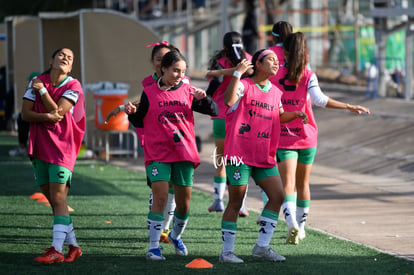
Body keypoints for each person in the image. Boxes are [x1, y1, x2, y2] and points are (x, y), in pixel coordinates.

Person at [270, 32, 370, 245]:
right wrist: (348, 106)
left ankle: (291, 224)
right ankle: (302, 227)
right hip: (307, 136)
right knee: (303, 183)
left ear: (285, 52)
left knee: (288, 185)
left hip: (283, 136)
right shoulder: (308, 75)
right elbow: (320, 100)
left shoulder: (274, 74)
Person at [127, 50, 218, 260]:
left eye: (183, 71)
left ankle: (175, 236)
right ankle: (153, 247)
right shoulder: (148, 92)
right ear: (163, 69)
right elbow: (141, 120)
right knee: (159, 197)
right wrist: (132, 114)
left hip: (184, 152)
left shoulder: (188, 90)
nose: (179, 75)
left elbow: (213, 110)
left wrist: (204, 99)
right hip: (158, 152)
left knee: (184, 204)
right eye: (175, 70)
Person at [219, 49, 307, 263]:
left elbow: (277, 116)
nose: (276, 63)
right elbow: (229, 101)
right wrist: (237, 74)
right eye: (271, 59)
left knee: (277, 196)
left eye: (278, 60)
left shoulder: (276, 92)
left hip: (263, 154)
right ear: (257, 64)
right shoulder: (244, 85)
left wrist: (293, 115)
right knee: (236, 202)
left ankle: (262, 246)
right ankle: (226, 252)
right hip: (239, 154)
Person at [106, 41, 180, 244]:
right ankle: (157, 225)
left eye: (167, 57)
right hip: (151, 135)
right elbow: (146, 103)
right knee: (158, 186)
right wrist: (122, 108)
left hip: (177, 139)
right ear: (155, 62)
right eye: (159, 59)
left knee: (173, 186)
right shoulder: (148, 82)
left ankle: (164, 229)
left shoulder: (183, 80)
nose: (162, 62)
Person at [21, 48, 85, 264]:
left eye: (70, 57)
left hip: (63, 147)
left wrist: (42, 93)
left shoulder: (73, 85)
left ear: (72, 66)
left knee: (58, 197)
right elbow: (25, 114)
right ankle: (74, 246)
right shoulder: (37, 80)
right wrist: (45, 115)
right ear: (51, 59)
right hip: (39, 145)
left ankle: (56, 250)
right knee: (53, 198)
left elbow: (59, 113)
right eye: (61, 55)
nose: (66, 58)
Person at [205, 31, 253, 217]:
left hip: (220, 116)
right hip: (242, 118)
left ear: (224, 46)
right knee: (241, 162)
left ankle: (218, 201)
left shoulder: (220, 61)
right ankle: (242, 205)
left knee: (221, 161)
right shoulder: (248, 60)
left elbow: (212, 78)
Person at [9, 72, 40, 157]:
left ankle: (36, 149)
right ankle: (22, 148)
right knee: (21, 117)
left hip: (43, 117)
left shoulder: (42, 90)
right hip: (36, 116)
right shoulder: (30, 90)